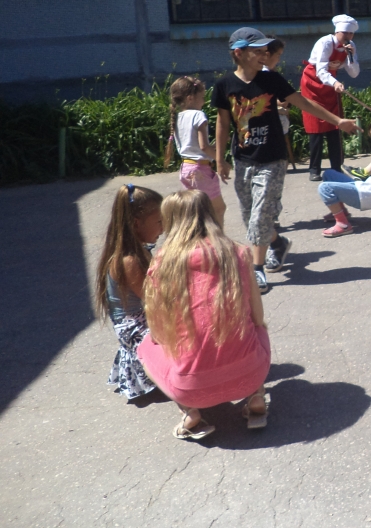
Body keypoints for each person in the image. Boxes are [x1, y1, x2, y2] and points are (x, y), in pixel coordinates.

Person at [212, 27, 359, 294]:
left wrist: (338, 121)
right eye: (258, 51)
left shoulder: (272, 80)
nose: (264, 55)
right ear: (239, 53)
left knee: (260, 215)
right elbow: (222, 123)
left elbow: (304, 103)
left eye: (265, 51)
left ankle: (256, 270)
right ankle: (278, 243)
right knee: (250, 215)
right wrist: (220, 159)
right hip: (243, 158)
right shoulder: (224, 85)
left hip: (273, 158)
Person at [137, 190, 271, 440]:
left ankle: (190, 412)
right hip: (252, 374)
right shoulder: (238, 253)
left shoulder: (163, 262)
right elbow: (257, 315)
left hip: (191, 389)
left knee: (145, 347)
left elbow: (158, 331)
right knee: (257, 327)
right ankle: (256, 396)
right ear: (210, 213)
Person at [96, 183, 163, 401]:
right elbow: (155, 300)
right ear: (136, 223)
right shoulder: (129, 260)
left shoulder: (139, 251)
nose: (163, 228)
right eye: (159, 222)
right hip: (134, 327)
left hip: (140, 317)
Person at [299, 15, 360, 181]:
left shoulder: (350, 46)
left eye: (351, 34)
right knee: (315, 127)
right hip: (313, 85)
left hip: (331, 86)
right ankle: (314, 169)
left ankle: (336, 167)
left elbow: (354, 73)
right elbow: (321, 71)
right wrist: (335, 82)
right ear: (337, 32)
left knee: (335, 124)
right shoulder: (325, 43)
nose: (348, 37)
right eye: (345, 33)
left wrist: (351, 57)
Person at [168, 76, 226, 228]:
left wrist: (213, 147)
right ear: (190, 98)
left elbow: (193, 146)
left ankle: (194, 239)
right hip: (201, 170)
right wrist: (220, 160)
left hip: (186, 169)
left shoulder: (178, 117)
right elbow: (203, 147)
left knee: (197, 212)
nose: (204, 102)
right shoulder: (198, 115)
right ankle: (217, 240)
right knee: (218, 209)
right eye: (202, 97)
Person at [263, 37, 296, 169]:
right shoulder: (265, 75)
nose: (279, 60)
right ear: (267, 55)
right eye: (278, 55)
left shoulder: (271, 73)